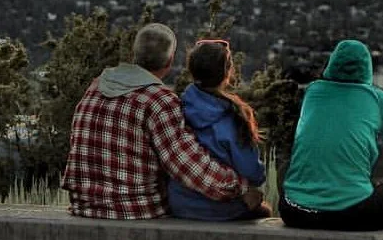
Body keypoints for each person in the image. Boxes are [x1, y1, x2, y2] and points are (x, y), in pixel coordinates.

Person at [61, 23, 261, 219]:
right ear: (169, 61)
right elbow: (190, 167)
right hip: (134, 209)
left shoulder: (96, 87)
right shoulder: (159, 101)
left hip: (83, 206)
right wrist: (243, 189)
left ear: (134, 54)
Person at [279, 40, 383, 231]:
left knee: (288, 166)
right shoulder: (376, 98)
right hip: (354, 216)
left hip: (294, 213)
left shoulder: (313, 92)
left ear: (332, 63)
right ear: (367, 68)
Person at [168, 39, 270, 220]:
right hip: (220, 208)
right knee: (264, 211)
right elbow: (253, 172)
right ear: (227, 72)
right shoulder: (233, 119)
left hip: (180, 204)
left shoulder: (176, 108)